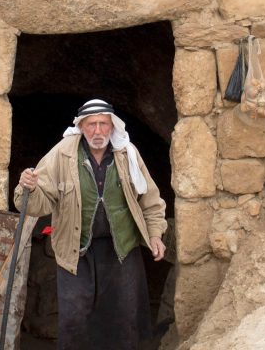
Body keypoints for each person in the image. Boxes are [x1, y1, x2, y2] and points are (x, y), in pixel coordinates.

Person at [16, 99, 168, 350]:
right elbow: (39, 204)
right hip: (76, 252)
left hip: (121, 248)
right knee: (75, 319)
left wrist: (155, 235)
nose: (98, 131)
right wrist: (28, 188)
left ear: (112, 126)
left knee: (122, 318)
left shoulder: (127, 154)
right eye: (91, 125)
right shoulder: (62, 153)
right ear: (81, 126)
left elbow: (150, 199)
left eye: (103, 124)